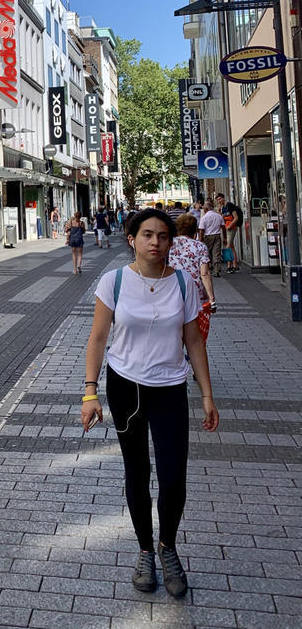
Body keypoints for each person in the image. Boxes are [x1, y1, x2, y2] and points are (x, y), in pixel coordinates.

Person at [81, 208, 218, 598]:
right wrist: (90, 392)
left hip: (169, 388)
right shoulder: (114, 282)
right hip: (125, 387)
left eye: (162, 235)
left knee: (173, 476)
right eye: (147, 234)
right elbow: (97, 339)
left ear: (171, 242)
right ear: (132, 239)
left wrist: (207, 394)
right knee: (137, 471)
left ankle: (167, 546)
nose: (155, 242)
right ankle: (145, 550)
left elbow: (193, 340)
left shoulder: (184, 284)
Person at [167, 213, 216, 312]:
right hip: (196, 293)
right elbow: (205, 273)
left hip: (173, 291)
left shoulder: (168, 244)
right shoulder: (200, 246)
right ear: (195, 230)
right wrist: (211, 298)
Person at [198, 201, 225, 278]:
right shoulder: (218, 216)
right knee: (216, 253)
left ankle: (207, 268)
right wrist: (225, 238)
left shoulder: (204, 217)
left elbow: (201, 230)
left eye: (204, 209)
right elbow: (223, 227)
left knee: (206, 253)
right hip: (217, 236)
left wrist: (200, 239)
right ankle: (217, 271)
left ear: (206, 209)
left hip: (207, 236)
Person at [222, 201, 243, 273]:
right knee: (231, 247)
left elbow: (236, 218)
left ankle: (229, 266)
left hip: (231, 228)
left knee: (227, 247)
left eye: (220, 199)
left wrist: (230, 226)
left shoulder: (230, 207)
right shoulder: (223, 208)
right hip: (227, 228)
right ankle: (235, 265)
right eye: (217, 199)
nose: (219, 201)